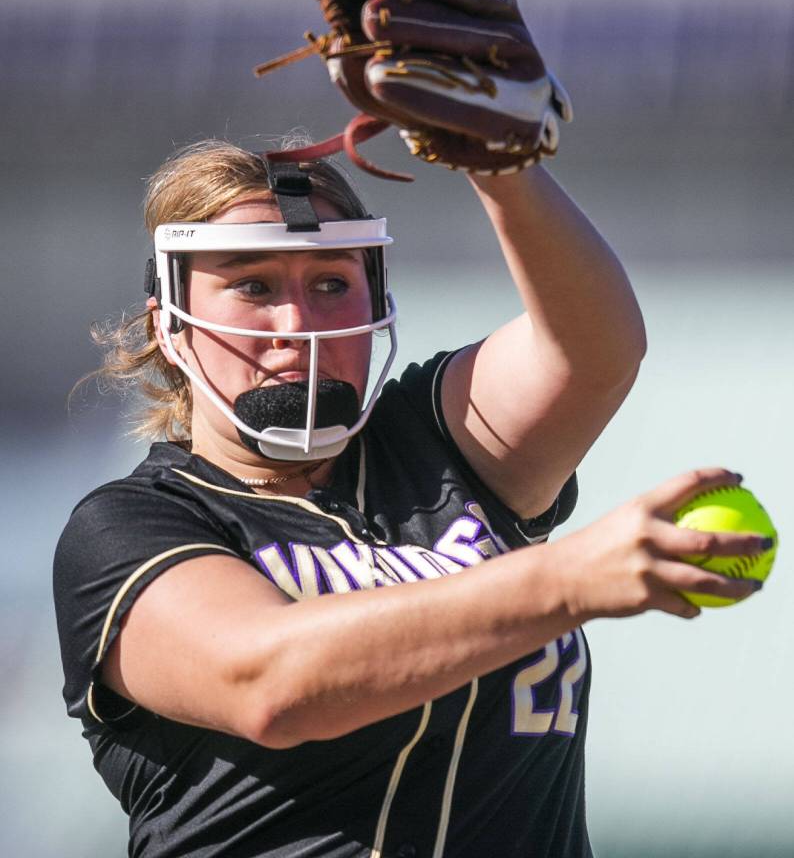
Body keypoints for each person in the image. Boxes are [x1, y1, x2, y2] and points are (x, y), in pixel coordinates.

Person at [54, 140, 770, 858]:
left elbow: (593, 350)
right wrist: (565, 579)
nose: (297, 324)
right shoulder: (129, 526)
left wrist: (500, 161)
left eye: (331, 284)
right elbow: (272, 684)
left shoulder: (432, 442)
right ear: (167, 326)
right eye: (254, 286)